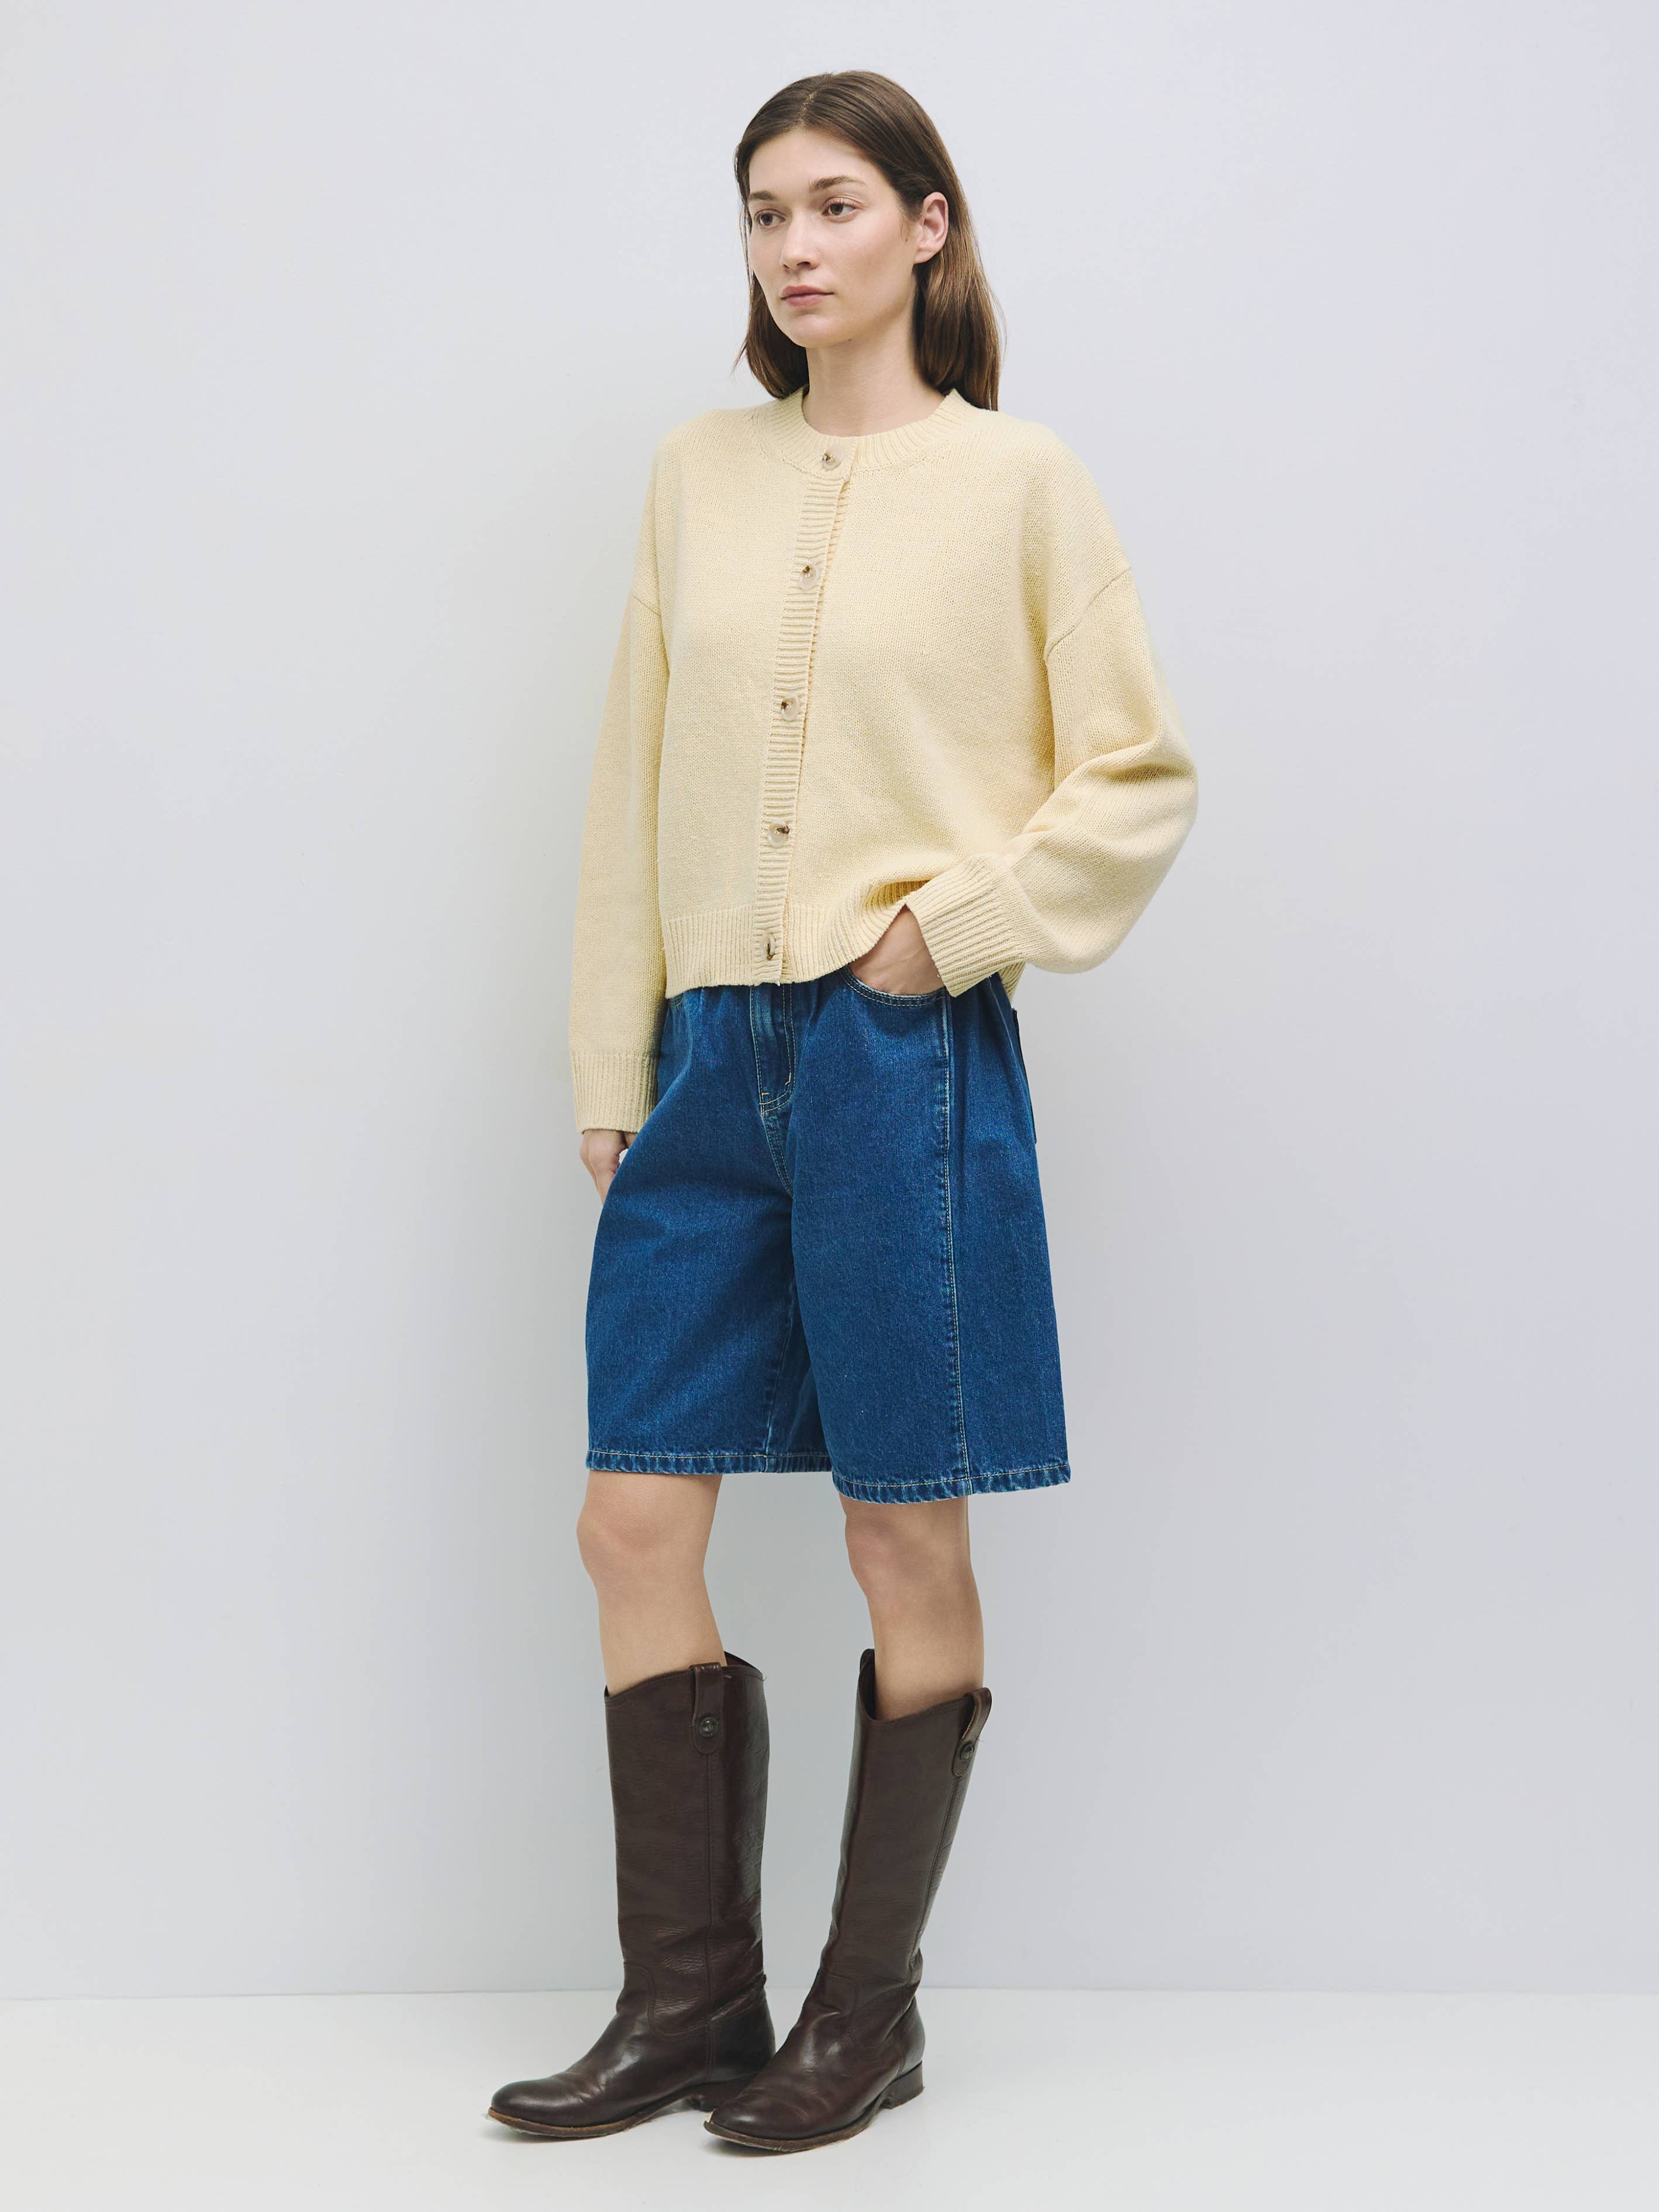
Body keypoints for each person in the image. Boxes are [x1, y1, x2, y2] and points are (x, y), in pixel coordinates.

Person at [487, 68, 1197, 2155]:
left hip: (902, 1055)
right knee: (631, 1515)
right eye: (761, 215)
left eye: (832, 206)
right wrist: (614, 1065)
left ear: (926, 228)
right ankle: (688, 2003)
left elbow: (1139, 775)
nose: (793, 248)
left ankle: (862, 2020)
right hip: (709, 1055)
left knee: (904, 1527)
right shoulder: (697, 476)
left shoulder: (1021, 483)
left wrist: (941, 937)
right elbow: (630, 775)